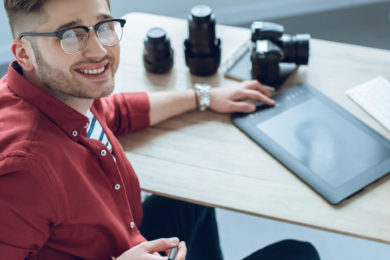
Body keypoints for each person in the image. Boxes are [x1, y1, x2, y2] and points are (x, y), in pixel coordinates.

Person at [0, 0, 321, 259]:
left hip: (127, 240)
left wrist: (205, 96)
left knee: (195, 195)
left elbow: (115, 111)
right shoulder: (24, 170)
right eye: (70, 36)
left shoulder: (62, 91)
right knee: (299, 254)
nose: (98, 51)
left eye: (103, 26)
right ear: (24, 53)